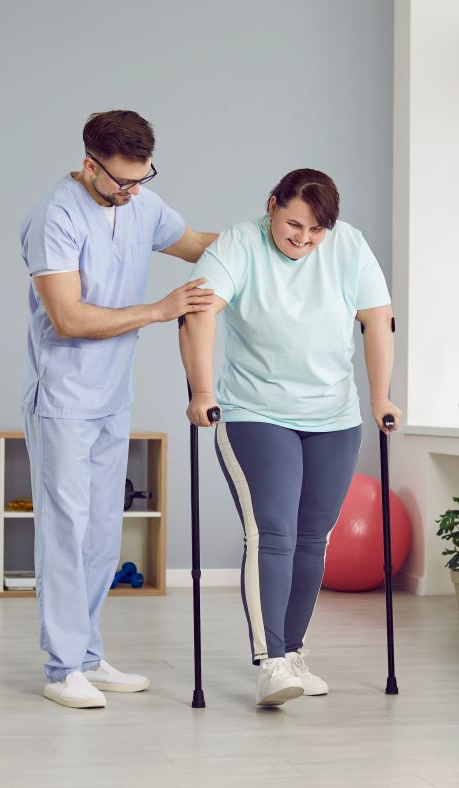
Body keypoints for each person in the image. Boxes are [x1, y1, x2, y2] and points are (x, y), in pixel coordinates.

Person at [178, 168, 400, 707]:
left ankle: (295, 652)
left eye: (316, 230)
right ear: (272, 205)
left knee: (312, 538)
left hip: (333, 416)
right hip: (256, 412)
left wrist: (379, 397)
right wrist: (202, 390)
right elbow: (199, 314)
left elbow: (377, 318)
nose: (302, 238)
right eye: (293, 224)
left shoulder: (349, 247)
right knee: (272, 532)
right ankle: (270, 661)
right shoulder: (239, 244)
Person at [21, 110, 217, 709]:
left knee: (104, 530)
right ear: (89, 164)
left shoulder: (143, 205)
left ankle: (87, 656)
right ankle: (61, 669)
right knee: (65, 528)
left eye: (142, 179)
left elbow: (195, 245)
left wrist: (273, 237)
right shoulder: (53, 217)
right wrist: (159, 310)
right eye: (121, 182)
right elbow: (69, 317)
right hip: (63, 396)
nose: (132, 192)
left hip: (112, 398)